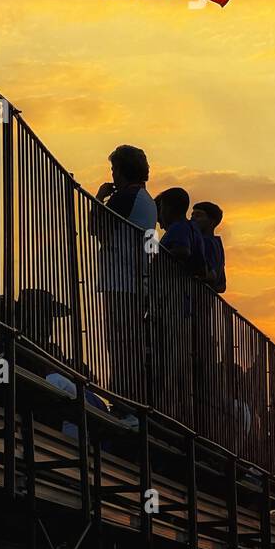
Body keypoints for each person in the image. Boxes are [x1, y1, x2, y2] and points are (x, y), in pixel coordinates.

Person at [91, 145, 156, 400]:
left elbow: (95, 227)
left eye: (113, 169)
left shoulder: (126, 197)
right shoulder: (146, 200)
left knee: (120, 346)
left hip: (121, 282)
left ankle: (125, 401)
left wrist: (98, 197)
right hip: (133, 281)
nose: (112, 176)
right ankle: (129, 399)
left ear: (121, 170)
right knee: (129, 346)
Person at [155, 187, 207, 279]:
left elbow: (183, 250)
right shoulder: (193, 228)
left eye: (162, 207)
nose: (161, 212)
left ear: (168, 208)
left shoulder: (179, 226)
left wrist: (158, 257)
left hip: (175, 285)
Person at [191, 201, 226, 294]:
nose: (193, 219)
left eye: (198, 215)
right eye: (192, 215)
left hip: (195, 299)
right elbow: (222, 286)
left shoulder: (206, 242)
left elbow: (211, 276)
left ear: (211, 221)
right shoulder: (218, 246)